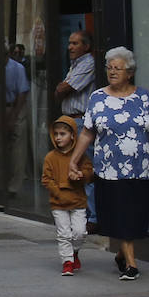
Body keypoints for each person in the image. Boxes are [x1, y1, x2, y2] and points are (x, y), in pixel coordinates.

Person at [69, 47, 149, 281]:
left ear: (130, 73)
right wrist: (73, 160)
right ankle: (132, 265)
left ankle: (121, 255)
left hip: (142, 169)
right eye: (109, 67)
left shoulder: (144, 97)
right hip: (109, 171)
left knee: (137, 217)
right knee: (122, 215)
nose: (112, 72)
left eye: (118, 68)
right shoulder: (97, 97)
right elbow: (87, 133)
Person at [42, 116, 94, 276]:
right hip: (58, 204)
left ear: (72, 135)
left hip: (77, 202)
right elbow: (46, 179)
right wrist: (58, 193)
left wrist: (80, 175)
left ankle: (75, 251)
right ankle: (68, 262)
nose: (58, 137)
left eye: (62, 134)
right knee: (63, 234)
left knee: (79, 233)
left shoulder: (80, 156)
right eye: (56, 134)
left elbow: (89, 173)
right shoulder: (50, 157)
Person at [56, 30, 97, 222]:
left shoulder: (88, 63)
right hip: (71, 121)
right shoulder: (75, 65)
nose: (70, 47)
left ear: (86, 46)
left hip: (81, 121)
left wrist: (60, 88)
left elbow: (65, 88)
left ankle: (92, 217)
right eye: (69, 43)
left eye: (75, 43)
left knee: (84, 167)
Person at [4, 45, 31, 196]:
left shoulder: (17, 68)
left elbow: (22, 93)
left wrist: (13, 116)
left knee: (18, 148)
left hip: (15, 106)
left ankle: (14, 187)